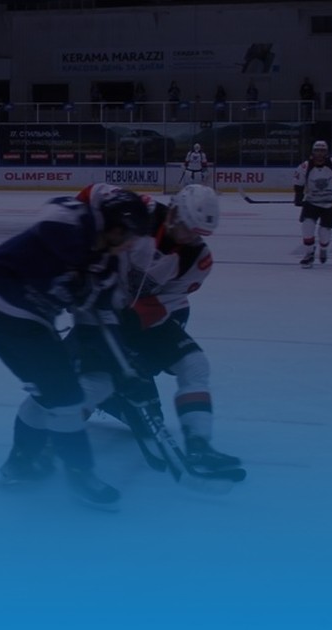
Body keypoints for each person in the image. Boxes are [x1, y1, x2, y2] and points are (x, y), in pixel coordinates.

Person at [0, 184, 151, 510]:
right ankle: (80, 475)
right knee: (66, 398)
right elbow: (51, 217)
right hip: (5, 304)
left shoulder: (105, 269)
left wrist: (125, 368)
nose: (130, 245)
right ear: (116, 226)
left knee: (48, 396)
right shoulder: (75, 217)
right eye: (130, 236)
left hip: (19, 321)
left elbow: (99, 323)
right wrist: (82, 265)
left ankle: (20, 465)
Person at [80, 185, 241, 470]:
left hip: (144, 318)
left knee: (194, 365)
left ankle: (199, 444)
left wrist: (130, 330)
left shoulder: (197, 259)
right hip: (100, 313)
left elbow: (168, 300)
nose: (191, 237)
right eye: (188, 227)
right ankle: (55, 433)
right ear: (175, 211)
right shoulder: (139, 211)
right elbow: (92, 192)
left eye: (198, 233)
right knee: (96, 381)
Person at [294, 140, 332, 267]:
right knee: (307, 227)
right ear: (313, 152)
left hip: (330, 204)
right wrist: (298, 195)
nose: (319, 154)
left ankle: (323, 248)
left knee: (324, 233)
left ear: (326, 152)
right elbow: (298, 183)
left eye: (322, 151)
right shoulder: (305, 166)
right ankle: (309, 254)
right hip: (311, 202)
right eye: (317, 151)